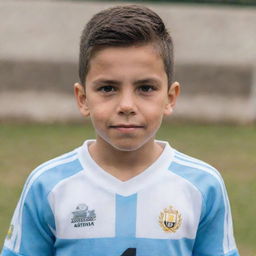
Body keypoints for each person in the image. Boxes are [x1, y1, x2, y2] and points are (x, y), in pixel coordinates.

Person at [1, 5, 239, 256]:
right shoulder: (48, 185)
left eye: (145, 88)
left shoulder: (202, 185)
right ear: (82, 98)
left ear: (170, 97)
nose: (127, 105)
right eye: (107, 88)